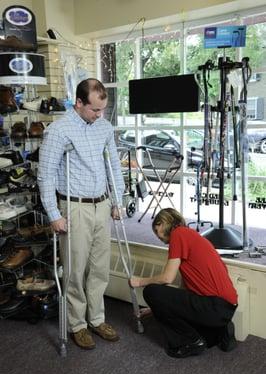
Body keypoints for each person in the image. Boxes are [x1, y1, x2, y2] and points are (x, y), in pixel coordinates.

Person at [38, 78, 125, 350]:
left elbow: (115, 166)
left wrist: (118, 200)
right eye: (94, 110)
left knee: (100, 268)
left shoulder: (104, 127)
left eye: (103, 110)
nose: (99, 116)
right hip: (74, 207)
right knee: (75, 270)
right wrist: (53, 213)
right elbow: (46, 175)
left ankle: (97, 319)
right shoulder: (59, 131)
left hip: (102, 204)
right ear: (78, 103)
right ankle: (78, 324)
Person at [130, 208, 238, 358]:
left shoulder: (178, 235)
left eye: (156, 230)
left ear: (163, 223)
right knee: (204, 333)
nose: (157, 236)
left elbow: (167, 278)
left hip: (214, 306)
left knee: (151, 291)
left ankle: (191, 342)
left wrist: (140, 281)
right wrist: (154, 308)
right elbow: (184, 288)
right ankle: (219, 331)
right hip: (225, 307)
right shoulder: (191, 235)